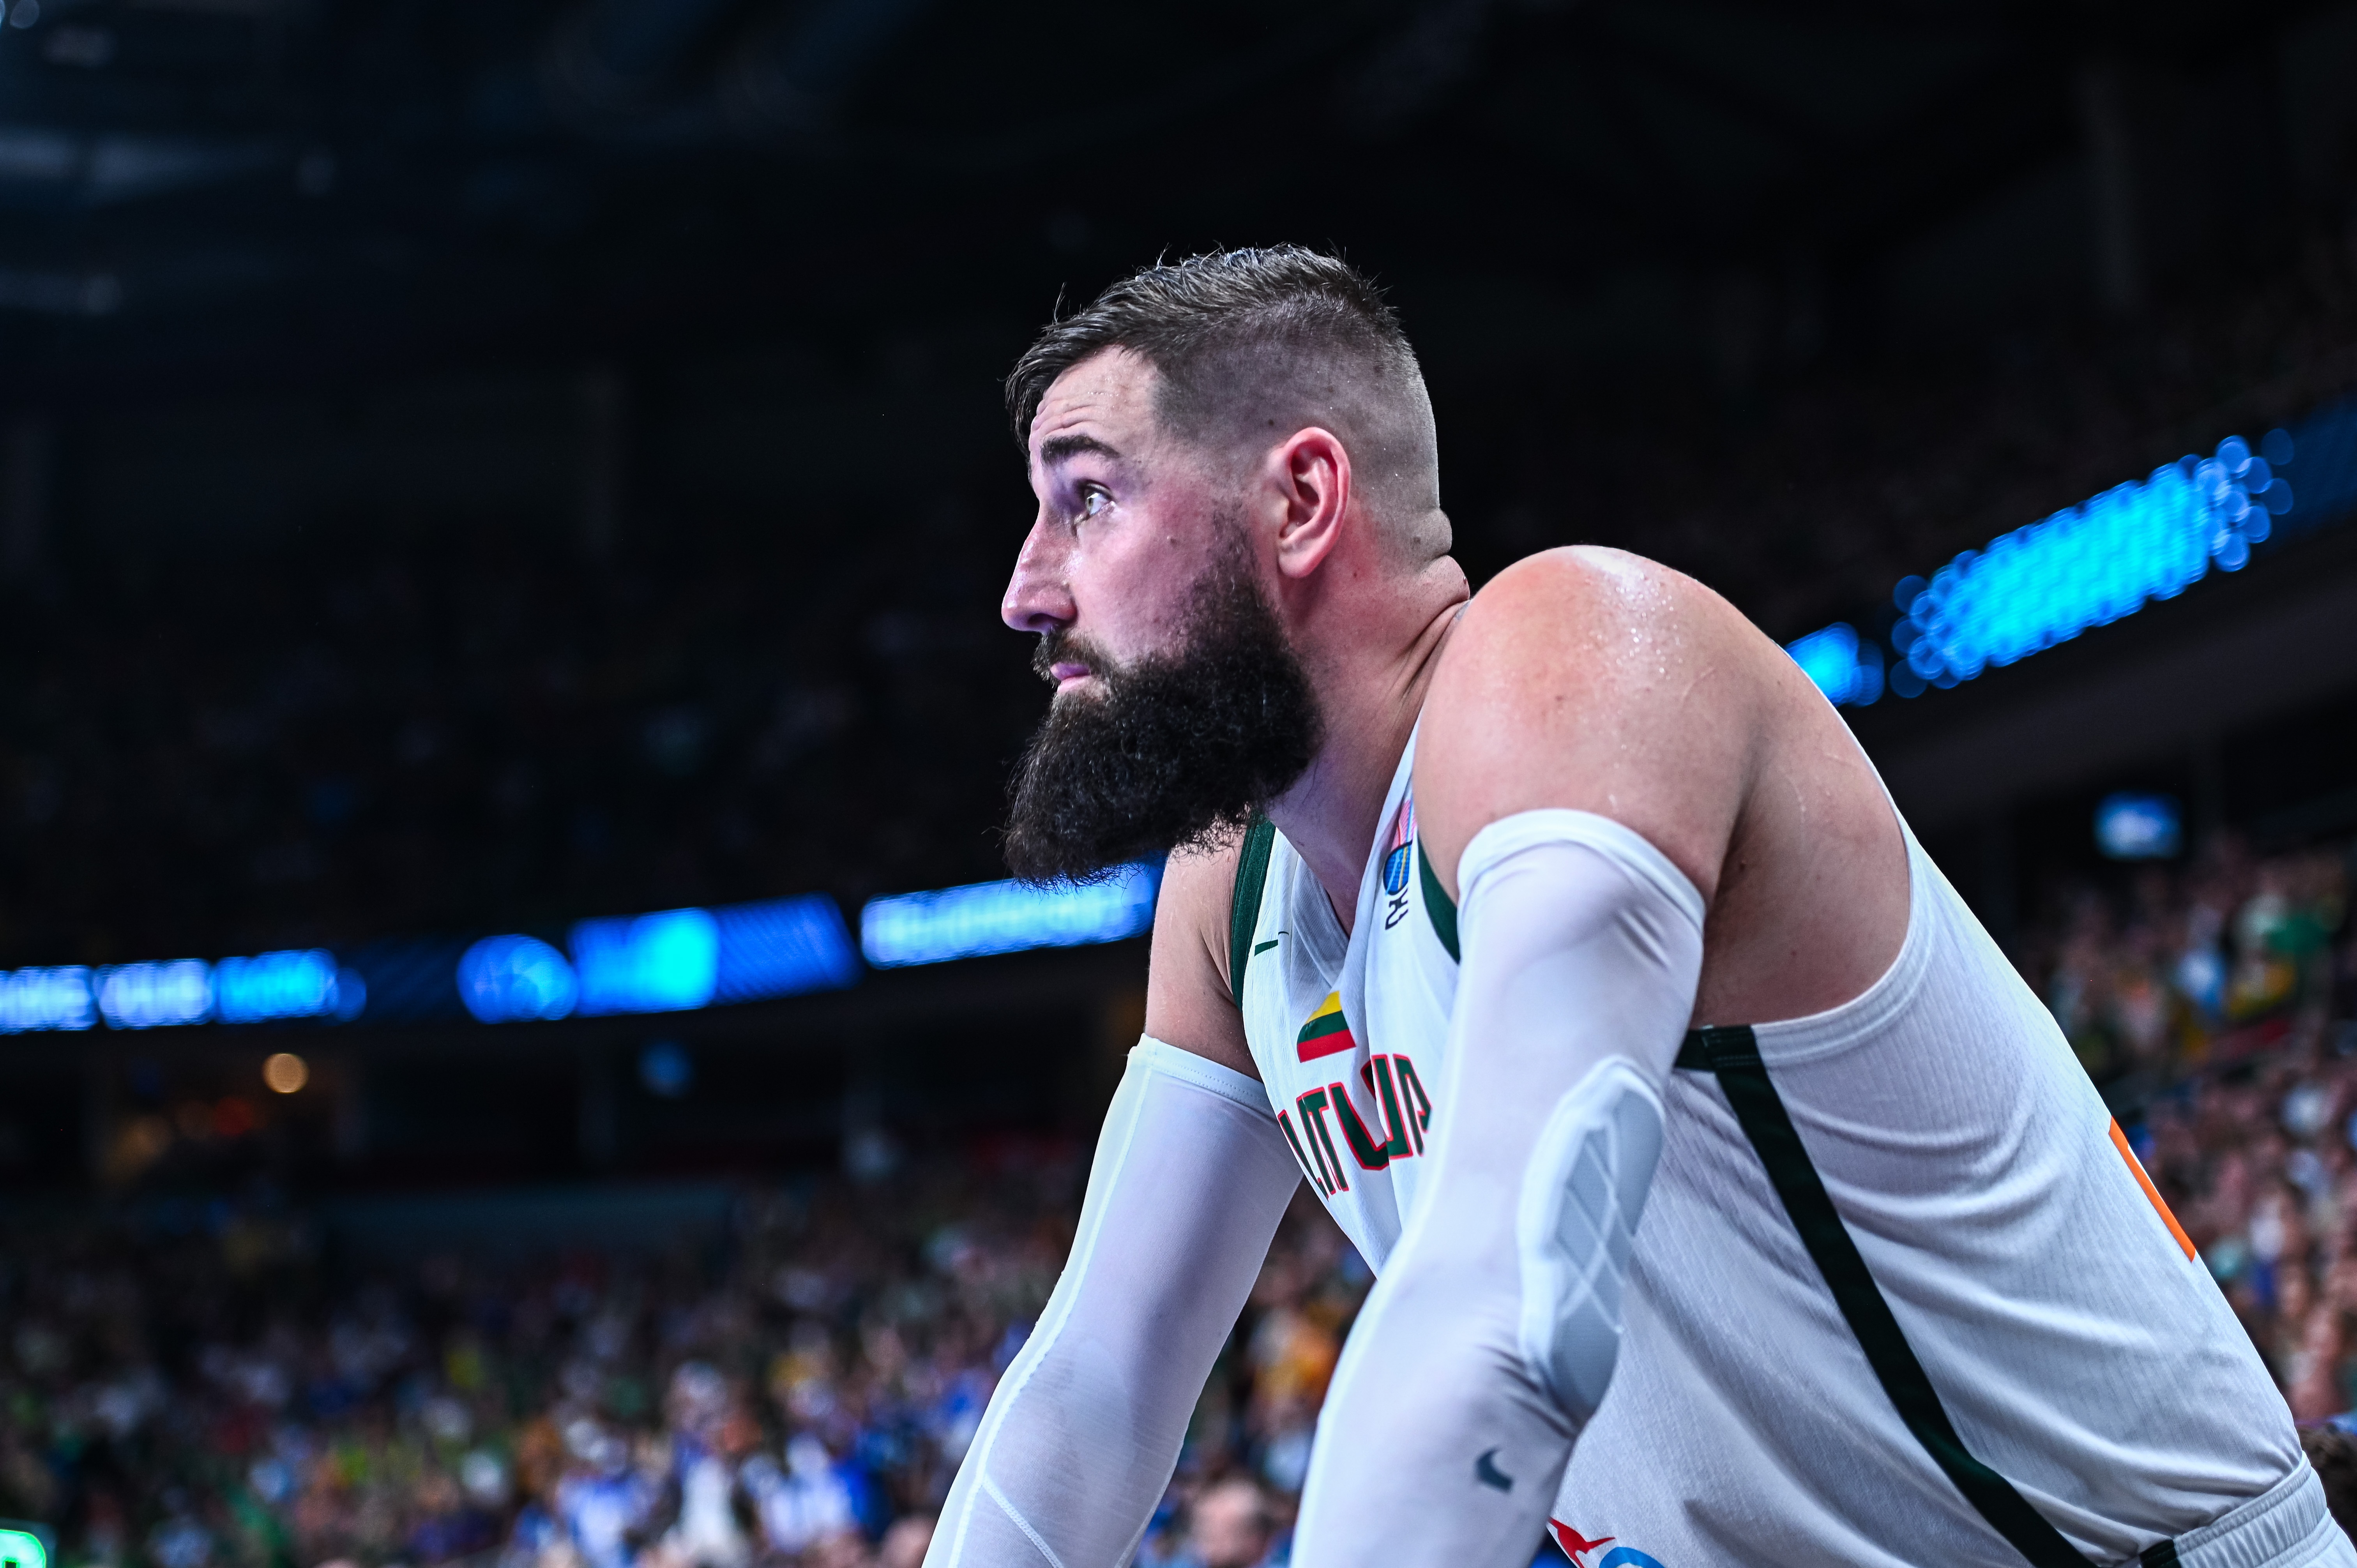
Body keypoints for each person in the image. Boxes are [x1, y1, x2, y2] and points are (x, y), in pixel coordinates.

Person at [922, 246, 2351, 1568]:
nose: (1024, 591)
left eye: (1086, 497)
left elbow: (1512, 1291)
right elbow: (1098, 1385)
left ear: (1301, 503)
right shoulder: (1235, 890)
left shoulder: (1579, 659)